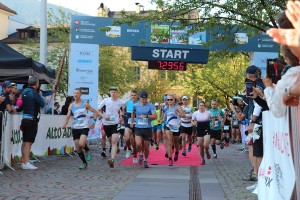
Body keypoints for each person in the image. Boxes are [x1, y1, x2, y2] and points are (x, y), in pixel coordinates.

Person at [62, 88, 98, 169]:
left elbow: (95, 112)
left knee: (81, 144)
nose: (75, 94)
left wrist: (93, 123)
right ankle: (84, 163)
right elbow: (68, 116)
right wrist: (64, 124)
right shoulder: (71, 106)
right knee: (78, 148)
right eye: (74, 93)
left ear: (81, 95)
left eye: (77, 93)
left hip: (84, 127)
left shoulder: (85, 104)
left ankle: (87, 150)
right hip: (75, 128)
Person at [20, 77, 45, 170]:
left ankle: (23, 162)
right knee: (28, 143)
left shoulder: (24, 91)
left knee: (25, 142)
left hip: (25, 120)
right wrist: (41, 95)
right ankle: (26, 163)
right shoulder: (34, 93)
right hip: (31, 120)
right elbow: (42, 104)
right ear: (37, 84)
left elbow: (22, 106)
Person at [98, 86, 124, 168]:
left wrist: (121, 117)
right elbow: (98, 110)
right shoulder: (106, 100)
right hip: (106, 124)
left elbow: (123, 110)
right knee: (110, 141)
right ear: (109, 93)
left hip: (115, 124)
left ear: (117, 93)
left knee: (114, 141)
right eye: (111, 92)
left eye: (115, 92)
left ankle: (112, 159)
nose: (113, 94)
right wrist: (103, 115)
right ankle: (116, 148)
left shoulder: (121, 102)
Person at [130, 91, 156, 168]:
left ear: (147, 98)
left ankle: (146, 160)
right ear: (140, 98)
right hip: (138, 127)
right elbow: (133, 113)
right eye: (142, 99)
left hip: (147, 128)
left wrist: (146, 116)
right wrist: (132, 122)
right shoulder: (135, 105)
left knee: (147, 146)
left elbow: (155, 116)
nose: (144, 101)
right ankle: (140, 153)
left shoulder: (150, 106)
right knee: (138, 144)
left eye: (145, 99)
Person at [163, 94, 185, 166]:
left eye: (171, 99)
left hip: (176, 126)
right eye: (168, 99)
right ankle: (170, 159)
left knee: (175, 142)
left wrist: (178, 113)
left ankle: (176, 152)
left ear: (174, 100)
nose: (169, 101)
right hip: (168, 126)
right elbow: (165, 116)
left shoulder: (177, 107)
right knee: (169, 142)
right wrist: (162, 120)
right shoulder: (165, 108)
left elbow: (183, 115)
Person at [124, 90, 139, 163]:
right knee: (127, 138)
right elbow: (122, 111)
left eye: (135, 95)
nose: (133, 97)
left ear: (137, 96)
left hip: (137, 123)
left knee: (134, 141)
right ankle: (129, 148)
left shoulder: (140, 103)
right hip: (128, 122)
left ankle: (135, 156)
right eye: (132, 95)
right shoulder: (127, 102)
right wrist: (121, 117)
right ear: (130, 96)